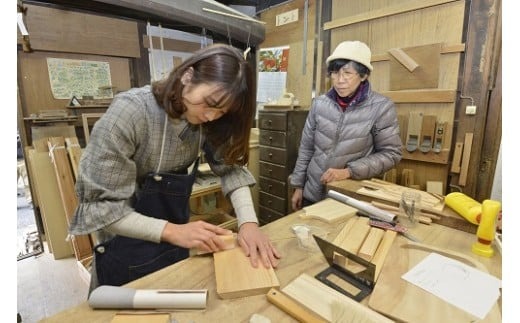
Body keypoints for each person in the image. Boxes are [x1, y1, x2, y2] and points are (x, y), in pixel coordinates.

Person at [69, 44, 281, 291]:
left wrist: (248, 224)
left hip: (173, 243)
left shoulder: (205, 122)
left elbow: (231, 168)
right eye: (210, 103)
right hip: (124, 246)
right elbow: (101, 209)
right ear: (187, 76)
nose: (212, 116)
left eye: (221, 112)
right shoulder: (131, 113)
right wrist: (173, 232)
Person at [290, 40, 402, 210]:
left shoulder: (381, 107)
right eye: (335, 73)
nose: (339, 80)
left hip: (348, 199)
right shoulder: (319, 104)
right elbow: (306, 148)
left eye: (348, 73)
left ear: (363, 76)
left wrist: (349, 171)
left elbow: (391, 154)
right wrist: (298, 186)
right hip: (312, 193)